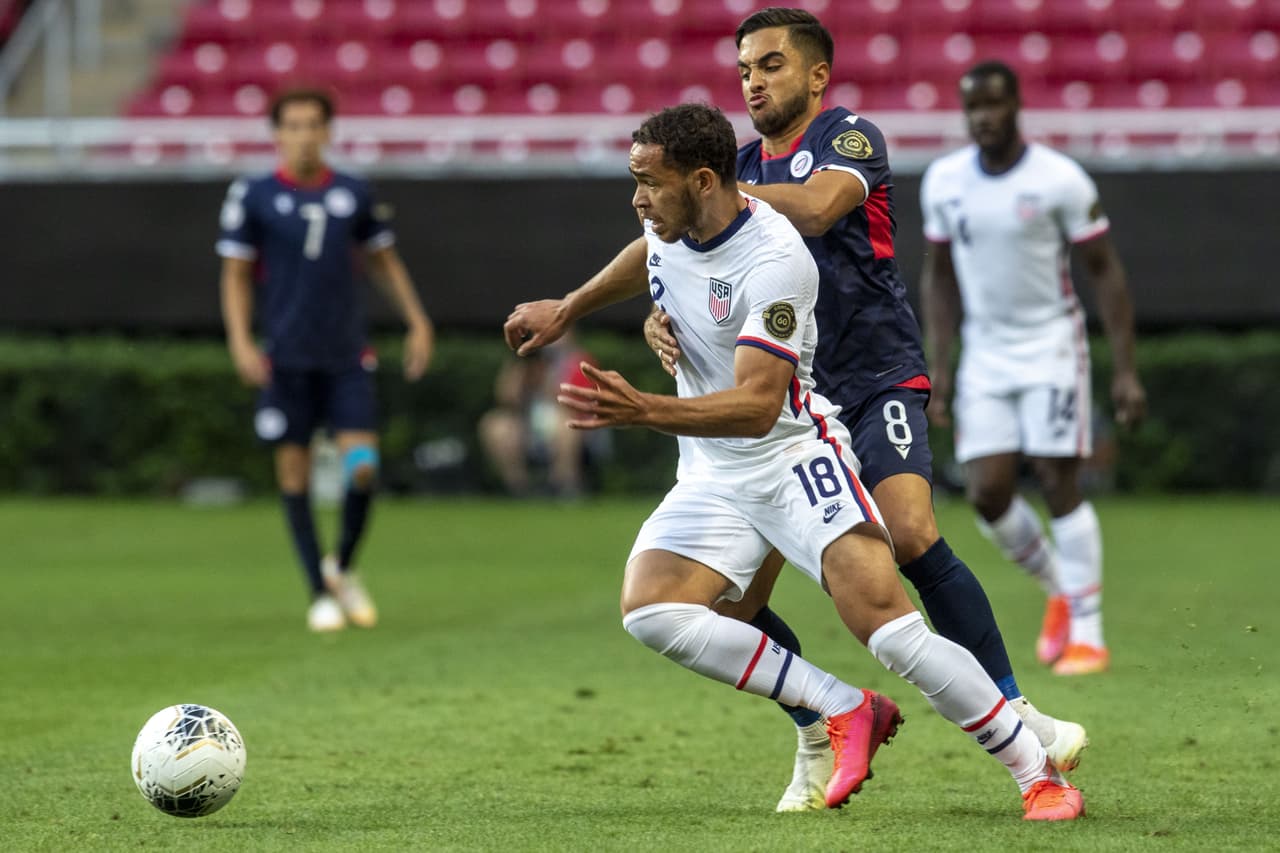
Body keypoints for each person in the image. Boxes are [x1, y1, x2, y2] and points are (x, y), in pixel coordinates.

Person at [505, 103, 1082, 821]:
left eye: (648, 182)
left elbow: (755, 404)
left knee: (894, 633)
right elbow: (647, 256)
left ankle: (1038, 774)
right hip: (713, 475)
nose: (637, 198)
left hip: (790, 459)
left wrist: (646, 408)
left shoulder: (775, 257)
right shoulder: (671, 226)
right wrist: (570, 305)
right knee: (651, 609)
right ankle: (840, 707)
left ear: (706, 180)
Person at [920, 60, 1146, 676]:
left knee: (1056, 477)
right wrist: (938, 365)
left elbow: (1105, 271)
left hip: (1050, 345)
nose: (984, 117)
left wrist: (1124, 370)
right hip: (985, 354)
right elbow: (939, 277)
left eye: (994, 105)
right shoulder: (943, 181)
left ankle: (1090, 635)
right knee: (988, 492)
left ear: (1017, 105)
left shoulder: (1059, 179)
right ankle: (1059, 592)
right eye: (973, 108)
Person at [217, 87, 434, 632]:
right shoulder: (254, 195)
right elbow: (237, 274)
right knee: (294, 474)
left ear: (329, 131)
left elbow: (384, 262)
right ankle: (318, 590)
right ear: (277, 134)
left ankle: (342, 565)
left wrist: (416, 320)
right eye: (293, 125)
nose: (304, 135)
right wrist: (241, 341)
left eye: (314, 124)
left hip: (345, 356)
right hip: (286, 358)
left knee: (362, 470)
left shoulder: (354, 193)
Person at [478, 333, 601, 498]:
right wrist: (519, 376)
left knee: (566, 423)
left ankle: (564, 485)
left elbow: (583, 403)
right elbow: (506, 400)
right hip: (526, 423)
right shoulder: (521, 365)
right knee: (496, 424)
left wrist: (548, 384)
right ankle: (519, 488)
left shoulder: (577, 362)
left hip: (569, 425)